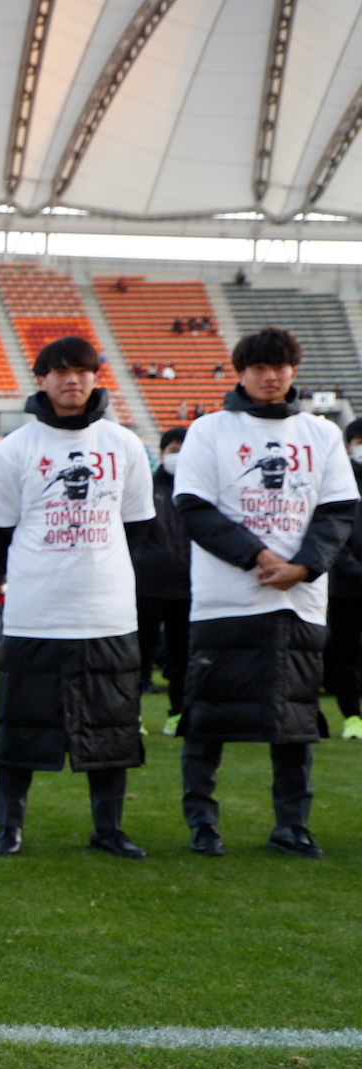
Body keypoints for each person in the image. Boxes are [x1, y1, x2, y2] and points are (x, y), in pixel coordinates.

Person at [173, 326, 358, 857]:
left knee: (295, 723)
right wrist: (258, 556)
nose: (269, 376)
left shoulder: (321, 433)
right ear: (241, 373)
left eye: (279, 367)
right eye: (258, 367)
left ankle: (292, 826)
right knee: (207, 719)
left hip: (299, 602)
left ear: (293, 371)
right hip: (225, 600)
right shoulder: (209, 430)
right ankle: (202, 824)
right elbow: (194, 508)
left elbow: (338, 511)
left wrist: (304, 566)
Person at [0, 337, 154, 858]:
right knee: (19, 727)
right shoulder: (15, 448)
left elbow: (137, 527)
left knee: (113, 727)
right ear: (41, 379)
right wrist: (42, 567)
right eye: (60, 371)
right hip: (36, 614)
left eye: (82, 370)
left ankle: (109, 828)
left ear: (96, 377)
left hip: (107, 613)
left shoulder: (124, 445)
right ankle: (9, 827)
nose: (71, 380)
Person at [132, 426, 191, 734]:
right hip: (147, 585)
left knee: (182, 656)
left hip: (187, 587)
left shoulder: (198, 492)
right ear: (161, 453)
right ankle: (131, 715)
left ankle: (179, 713)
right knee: (139, 654)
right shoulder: (144, 487)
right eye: (173, 450)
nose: (178, 457)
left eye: (185, 451)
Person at [324, 419, 362, 740]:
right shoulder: (338, 480)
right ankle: (352, 715)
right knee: (345, 655)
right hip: (345, 589)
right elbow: (332, 532)